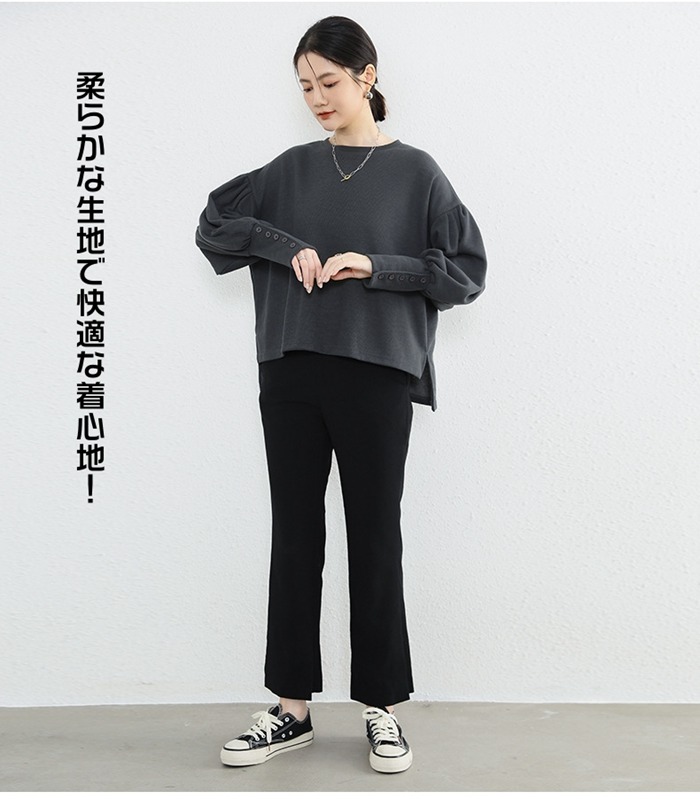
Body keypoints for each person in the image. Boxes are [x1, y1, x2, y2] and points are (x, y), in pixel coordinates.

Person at [195, 15, 487, 775]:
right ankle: (290, 709)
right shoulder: (289, 169)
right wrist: (284, 244)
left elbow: (465, 271)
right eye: (305, 87)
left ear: (368, 76)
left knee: (374, 536)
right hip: (291, 368)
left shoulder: (417, 172)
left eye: (328, 82)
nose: (317, 98)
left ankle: (381, 708)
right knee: (295, 537)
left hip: (376, 372)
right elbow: (215, 225)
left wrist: (378, 266)